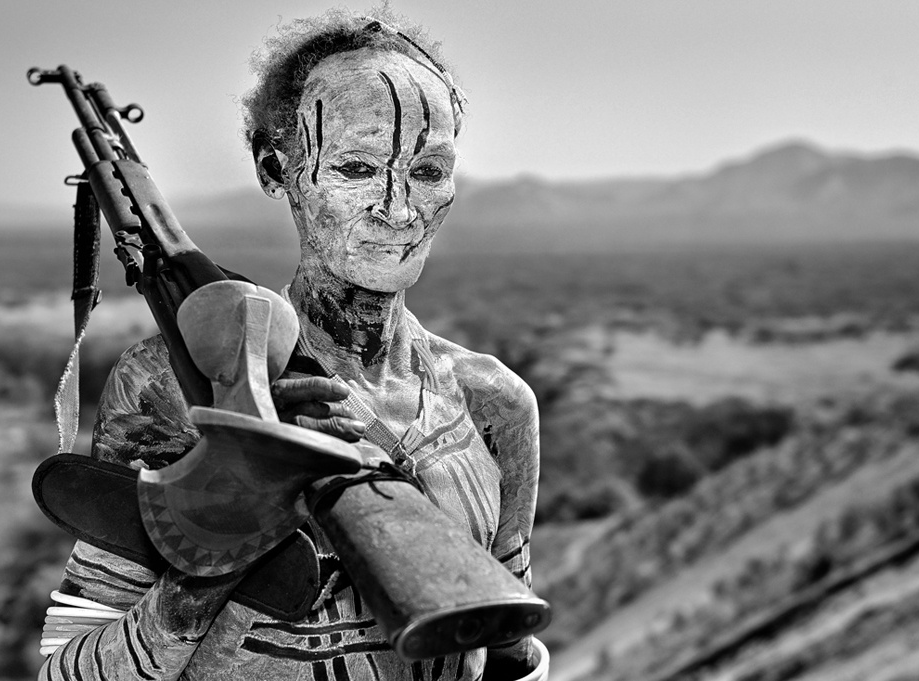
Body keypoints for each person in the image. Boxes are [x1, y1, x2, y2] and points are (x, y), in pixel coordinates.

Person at [38, 8, 542, 680]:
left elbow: (509, 649)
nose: (398, 209)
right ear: (276, 169)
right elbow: (66, 671)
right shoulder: (169, 384)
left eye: (428, 171)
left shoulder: (494, 404)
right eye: (357, 167)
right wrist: (215, 546)